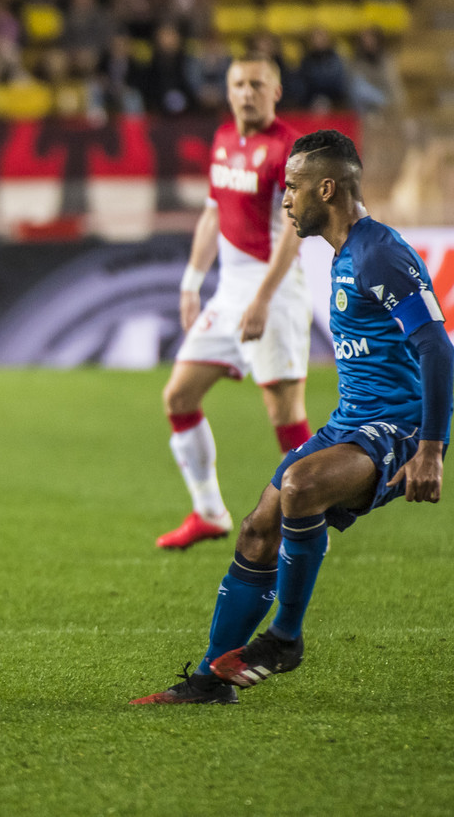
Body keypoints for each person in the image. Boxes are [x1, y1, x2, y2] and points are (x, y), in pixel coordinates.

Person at [133, 129, 453, 704]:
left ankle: (284, 638)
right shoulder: (341, 252)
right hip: (352, 420)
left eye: (293, 187)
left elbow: (437, 345)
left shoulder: (380, 251)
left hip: (399, 429)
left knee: (302, 487)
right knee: (259, 525)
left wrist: (430, 449)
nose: (284, 199)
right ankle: (209, 682)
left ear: (326, 188)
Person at [156, 53, 313, 550]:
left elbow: (294, 231)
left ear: (276, 91)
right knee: (178, 396)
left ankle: (312, 524)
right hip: (228, 293)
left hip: (276, 291)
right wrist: (190, 282)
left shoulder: (289, 150)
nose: (247, 92)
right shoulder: (224, 140)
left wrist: (264, 298)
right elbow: (210, 215)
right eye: (239, 84)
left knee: (285, 415)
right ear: (227, 91)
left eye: (257, 84)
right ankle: (209, 513)